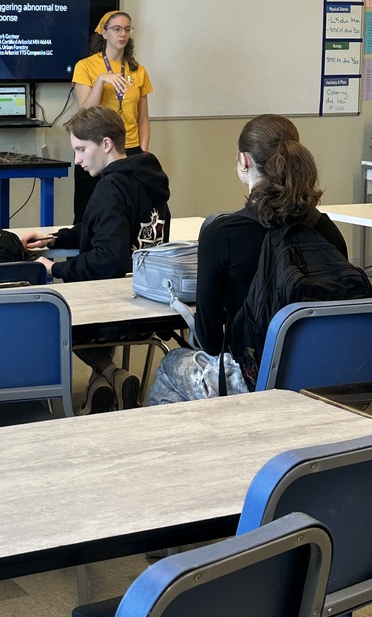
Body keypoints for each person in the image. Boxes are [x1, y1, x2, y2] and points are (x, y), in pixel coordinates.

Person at [147, 114, 348, 406]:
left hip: (255, 380)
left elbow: (210, 341)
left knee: (172, 364)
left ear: (244, 161)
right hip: (324, 375)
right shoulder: (326, 229)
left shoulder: (221, 233)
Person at [22, 107, 171, 414]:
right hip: (152, 302)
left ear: (105, 144)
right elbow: (106, 230)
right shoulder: (147, 178)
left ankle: (109, 373)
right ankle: (103, 387)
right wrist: (55, 239)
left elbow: (108, 258)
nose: (77, 160)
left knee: (51, 315)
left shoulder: (110, 188)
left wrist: (55, 268)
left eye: (81, 149)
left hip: (114, 308)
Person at [71, 10, 153, 222]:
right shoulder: (86, 66)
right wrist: (100, 81)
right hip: (97, 149)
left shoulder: (138, 71)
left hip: (129, 149)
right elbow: (84, 113)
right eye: (116, 29)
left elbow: (143, 117)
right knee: (88, 214)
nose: (122, 34)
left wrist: (143, 150)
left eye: (127, 29)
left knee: (128, 213)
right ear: (104, 33)